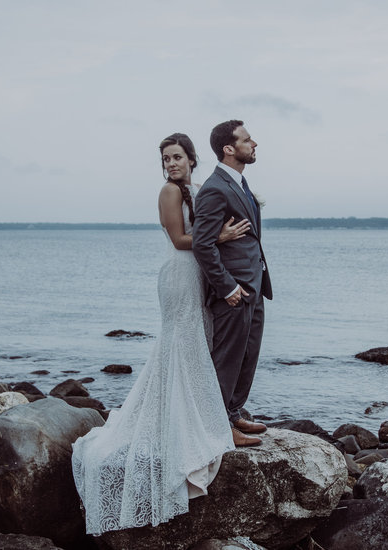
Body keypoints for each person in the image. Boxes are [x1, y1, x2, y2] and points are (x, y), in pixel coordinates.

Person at [72, 133, 250, 535]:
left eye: (176, 157)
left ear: (192, 159)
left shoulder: (201, 189)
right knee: (183, 342)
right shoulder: (169, 192)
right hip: (180, 275)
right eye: (165, 158)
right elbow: (179, 239)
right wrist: (218, 238)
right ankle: (202, 423)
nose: (170, 164)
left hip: (201, 275)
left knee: (200, 345)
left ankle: (210, 414)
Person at [192, 120, 273, 448]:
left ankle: (234, 411)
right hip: (233, 291)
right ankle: (219, 426)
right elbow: (202, 244)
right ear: (229, 148)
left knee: (248, 354)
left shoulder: (240, 184)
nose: (254, 144)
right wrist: (226, 287)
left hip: (254, 285)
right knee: (227, 358)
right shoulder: (214, 188)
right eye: (247, 139)